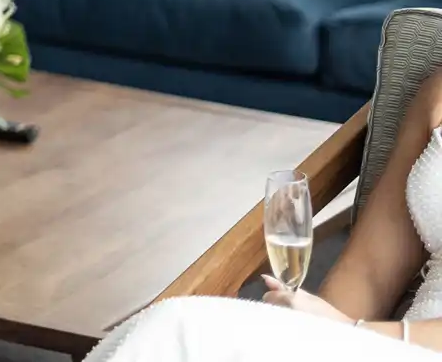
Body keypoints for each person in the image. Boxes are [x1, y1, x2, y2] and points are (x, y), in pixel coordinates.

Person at [85, 70, 442, 359]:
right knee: (166, 336)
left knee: (179, 328)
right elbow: (369, 273)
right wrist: (305, 335)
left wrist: (355, 332)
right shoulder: (437, 92)